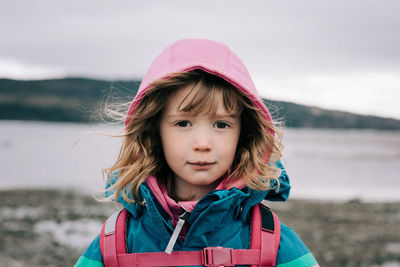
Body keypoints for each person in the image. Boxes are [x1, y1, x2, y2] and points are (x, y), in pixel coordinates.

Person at [75, 39, 319, 266]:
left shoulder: (272, 243)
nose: (202, 143)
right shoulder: (116, 244)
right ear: (153, 131)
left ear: (244, 135)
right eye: (183, 123)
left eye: (221, 125)